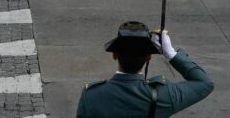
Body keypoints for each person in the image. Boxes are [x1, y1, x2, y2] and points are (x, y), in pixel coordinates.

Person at [76, 22, 213, 118]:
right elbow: (204, 83)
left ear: (114, 55)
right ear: (149, 57)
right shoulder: (164, 95)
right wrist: (170, 54)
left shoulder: (91, 95)